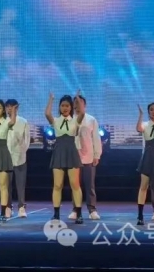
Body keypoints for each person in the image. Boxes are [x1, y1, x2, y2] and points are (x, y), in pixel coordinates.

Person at [45, 91, 84, 225]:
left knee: (75, 184)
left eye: (67, 106)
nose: (65, 108)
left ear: (71, 107)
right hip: (59, 153)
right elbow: (47, 114)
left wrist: (77, 98)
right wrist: (51, 99)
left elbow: (82, 113)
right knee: (57, 185)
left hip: (72, 153)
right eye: (62, 106)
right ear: (59, 107)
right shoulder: (56, 121)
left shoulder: (75, 120)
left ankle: (79, 213)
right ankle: (56, 214)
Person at [72, 94, 102, 221]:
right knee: (75, 185)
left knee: (90, 185)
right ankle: (75, 209)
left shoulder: (91, 120)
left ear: (84, 105)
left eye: (79, 103)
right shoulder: (69, 119)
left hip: (88, 156)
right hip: (74, 157)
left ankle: (92, 209)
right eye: (75, 103)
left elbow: (96, 138)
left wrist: (97, 155)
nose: (77, 105)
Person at [5, 99, 30, 219]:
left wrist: (22, 151)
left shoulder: (23, 122)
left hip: (20, 157)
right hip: (6, 158)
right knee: (6, 185)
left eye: (13, 107)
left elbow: (27, 140)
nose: (10, 109)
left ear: (17, 108)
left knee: (20, 185)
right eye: (8, 106)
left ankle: (21, 207)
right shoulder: (3, 122)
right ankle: (8, 207)